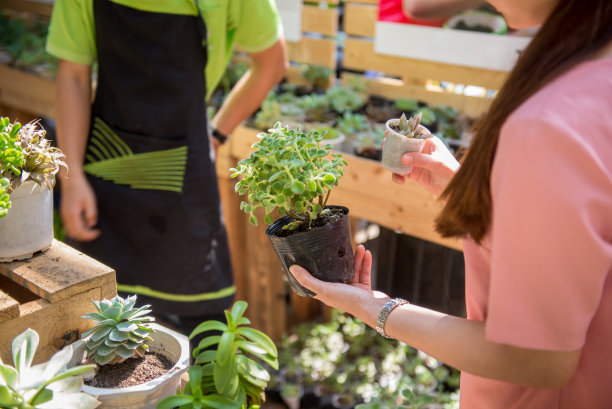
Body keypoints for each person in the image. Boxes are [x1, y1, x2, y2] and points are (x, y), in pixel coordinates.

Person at [289, 0, 612, 407]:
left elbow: (537, 360)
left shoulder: (550, 124)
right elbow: (580, 245)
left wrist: (374, 309)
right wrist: (468, 193)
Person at [45, 0, 287, 340]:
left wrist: (216, 135)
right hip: (104, 178)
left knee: (205, 336)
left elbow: (272, 63)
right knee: (93, 328)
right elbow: (73, 75)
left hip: (184, 183)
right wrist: (71, 181)